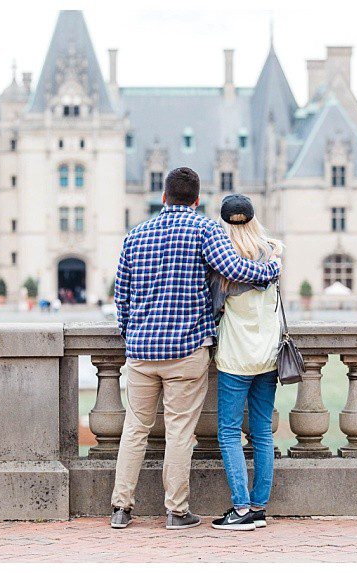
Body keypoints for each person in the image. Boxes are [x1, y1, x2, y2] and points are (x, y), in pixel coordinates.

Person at [110, 168, 282, 530]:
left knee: (135, 429)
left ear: (163, 197)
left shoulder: (135, 235)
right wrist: (271, 269)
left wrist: (132, 334)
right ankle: (176, 511)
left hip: (141, 352)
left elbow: (121, 297)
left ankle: (121, 508)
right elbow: (234, 269)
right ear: (197, 199)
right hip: (186, 350)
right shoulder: (204, 229)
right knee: (179, 432)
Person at [208, 194, 283, 531]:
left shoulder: (223, 263)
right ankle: (259, 507)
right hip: (268, 356)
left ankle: (240, 509)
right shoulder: (273, 254)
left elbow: (214, 308)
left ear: (225, 223)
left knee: (228, 432)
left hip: (235, 358)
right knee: (263, 433)